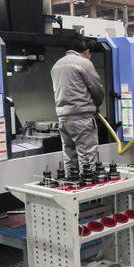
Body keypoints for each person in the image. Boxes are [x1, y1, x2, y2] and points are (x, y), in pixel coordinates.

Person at [51, 35, 104, 177]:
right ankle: (88, 189)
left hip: (63, 119)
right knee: (87, 157)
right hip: (82, 119)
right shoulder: (84, 63)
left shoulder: (56, 65)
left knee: (69, 156)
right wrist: (97, 105)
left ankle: (70, 183)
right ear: (86, 52)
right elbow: (97, 90)